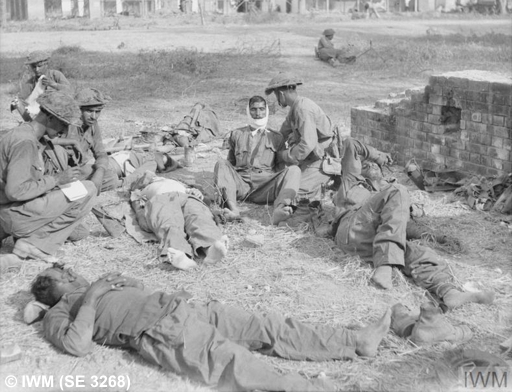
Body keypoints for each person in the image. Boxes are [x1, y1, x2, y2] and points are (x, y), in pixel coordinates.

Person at [31, 264, 392, 392]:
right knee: (235, 365)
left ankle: (356, 340)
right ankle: (314, 388)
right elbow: (78, 346)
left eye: (68, 270)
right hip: (161, 333)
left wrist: (122, 282)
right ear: (51, 289)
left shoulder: (98, 282)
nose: (71, 273)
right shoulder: (59, 313)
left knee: (267, 326)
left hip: (183, 308)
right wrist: (92, 296)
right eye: (62, 275)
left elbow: (139, 290)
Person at [332, 137, 495, 309]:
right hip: (352, 227)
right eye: (365, 165)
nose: (371, 165)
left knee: (421, 254)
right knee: (399, 191)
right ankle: (385, 265)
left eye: (374, 165)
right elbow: (351, 143)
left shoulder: (390, 195)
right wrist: (377, 156)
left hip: (372, 244)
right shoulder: (352, 180)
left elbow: (401, 227)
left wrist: (437, 237)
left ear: (382, 174)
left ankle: (449, 292)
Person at [0, 92, 98, 272]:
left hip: (8, 212)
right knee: (88, 189)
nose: (64, 130)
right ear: (50, 117)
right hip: (12, 214)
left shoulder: (23, 133)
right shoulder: (25, 143)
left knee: (79, 231)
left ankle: (30, 237)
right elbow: (15, 191)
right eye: (63, 124)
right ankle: (32, 244)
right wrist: (57, 179)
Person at [213, 95, 301, 224]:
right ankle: (233, 209)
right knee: (221, 163)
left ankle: (280, 209)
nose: (258, 113)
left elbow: (280, 167)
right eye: (253, 109)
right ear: (248, 110)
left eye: (261, 109)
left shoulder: (276, 137)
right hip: (241, 184)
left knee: (294, 170)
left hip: (265, 185)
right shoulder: (236, 134)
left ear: (267, 111)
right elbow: (230, 163)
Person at [264, 74, 337, 225]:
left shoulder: (303, 109)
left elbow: (308, 144)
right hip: (311, 158)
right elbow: (282, 133)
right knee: (286, 182)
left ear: (281, 94)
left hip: (323, 160)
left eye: (276, 95)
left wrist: (284, 156)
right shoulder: (295, 108)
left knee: (296, 191)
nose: (277, 100)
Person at [129, 172, 229, 270]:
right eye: (144, 176)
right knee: (170, 223)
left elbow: (207, 201)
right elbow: (138, 209)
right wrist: (143, 215)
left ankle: (211, 249)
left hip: (188, 197)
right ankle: (180, 255)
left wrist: (199, 195)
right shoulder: (139, 191)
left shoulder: (178, 182)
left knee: (199, 217)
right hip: (162, 199)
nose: (149, 174)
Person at [12, 51, 72, 122]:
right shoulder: (32, 81)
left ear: (46, 65)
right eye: (34, 67)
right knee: (18, 103)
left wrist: (53, 84)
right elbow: (21, 97)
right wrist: (17, 103)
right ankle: (31, 124)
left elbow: (69, 90)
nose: (37, 70)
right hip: (39, 113)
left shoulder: (55, 75)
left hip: (57, 112)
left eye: (39, 66)